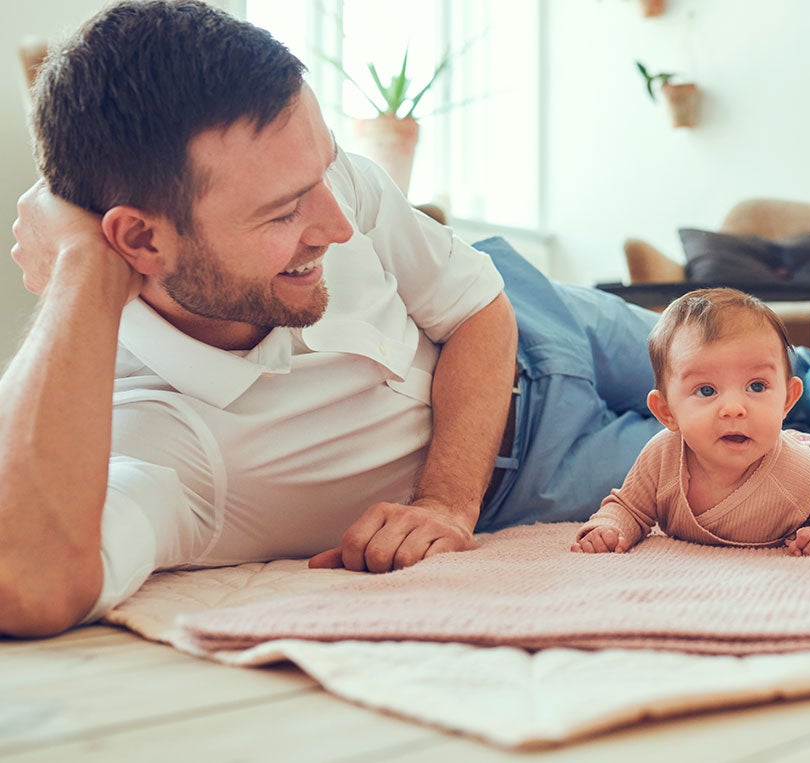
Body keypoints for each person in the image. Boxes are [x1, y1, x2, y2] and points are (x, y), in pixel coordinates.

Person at [0, 0, 667, 637]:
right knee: (761, 449)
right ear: (142, 242)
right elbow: (25, 580)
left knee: (767, 365)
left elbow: (474, 306)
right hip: (532, 466)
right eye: (283, 211)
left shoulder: (311, 181)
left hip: (533, 310)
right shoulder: (153, 434)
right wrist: (81, 264)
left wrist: (444, 499)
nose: (339, 226)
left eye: (325, 171)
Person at [572, 288, 810, 555]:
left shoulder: (796, 472)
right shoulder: (661, 456)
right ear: (667, 412)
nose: (734, 408)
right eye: (707, 390)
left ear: (787, 399)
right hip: (801, 453)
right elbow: (630, 507)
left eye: (756, 386)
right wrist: (610, 526)